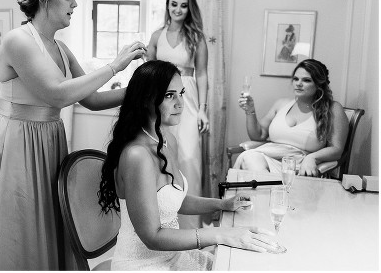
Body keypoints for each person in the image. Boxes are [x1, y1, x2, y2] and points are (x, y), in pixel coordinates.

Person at [0, 0, 146, 270]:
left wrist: (142, 91)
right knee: (21, 220)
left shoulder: (61, 48)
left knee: (50, 217)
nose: (75, 5)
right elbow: (59, 94)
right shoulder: (17, 40)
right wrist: (115, 66)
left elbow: (90, 100)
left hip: (49, 137)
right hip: (16, 141)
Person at [98, 60, 277, 270]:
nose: (180, 103)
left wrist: (222, 204)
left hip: (174, 257)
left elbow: (174, 201)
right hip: (143, 265)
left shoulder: (167, 140)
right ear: (146, 99)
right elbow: (152, 237)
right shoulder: (137, 155)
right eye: (169, 95)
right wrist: (218, 234)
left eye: (181, 93)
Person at [146, 0, 209, 228]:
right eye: (174, 4)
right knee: (162, 153)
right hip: (161, 98)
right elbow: (148, 70)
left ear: (189, 8)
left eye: (183, 5)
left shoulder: (196, 37)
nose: (178, 9)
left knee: (189, 155)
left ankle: (191, 224)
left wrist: (203, 109)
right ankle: (163, 217)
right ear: (167, 6)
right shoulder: (157, 35)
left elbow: (202, 74)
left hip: (188, 96)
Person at [234, 59, 349, 176]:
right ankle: (271, 187)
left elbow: (337, 149)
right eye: (296, 79)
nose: (298, 83)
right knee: (249, 157)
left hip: (298, 166)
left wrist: (312, 158)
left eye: (306, 80)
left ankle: (269, 188)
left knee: (250, 160)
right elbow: (258, 135)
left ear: (319, 84)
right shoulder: (281, 104)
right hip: (267, 159)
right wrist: (250, 111)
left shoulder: (333, 109)